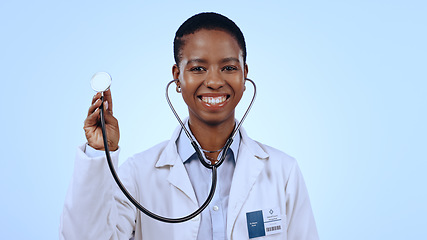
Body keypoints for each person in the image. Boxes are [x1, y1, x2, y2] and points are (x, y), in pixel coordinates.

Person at [60, 12, 319, 240]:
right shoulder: (138, 175)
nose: (215, 81)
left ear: (244, 74)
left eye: (228, 67)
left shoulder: (283, 172)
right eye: (198, 68)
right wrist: (98, 152)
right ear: (177, 77)